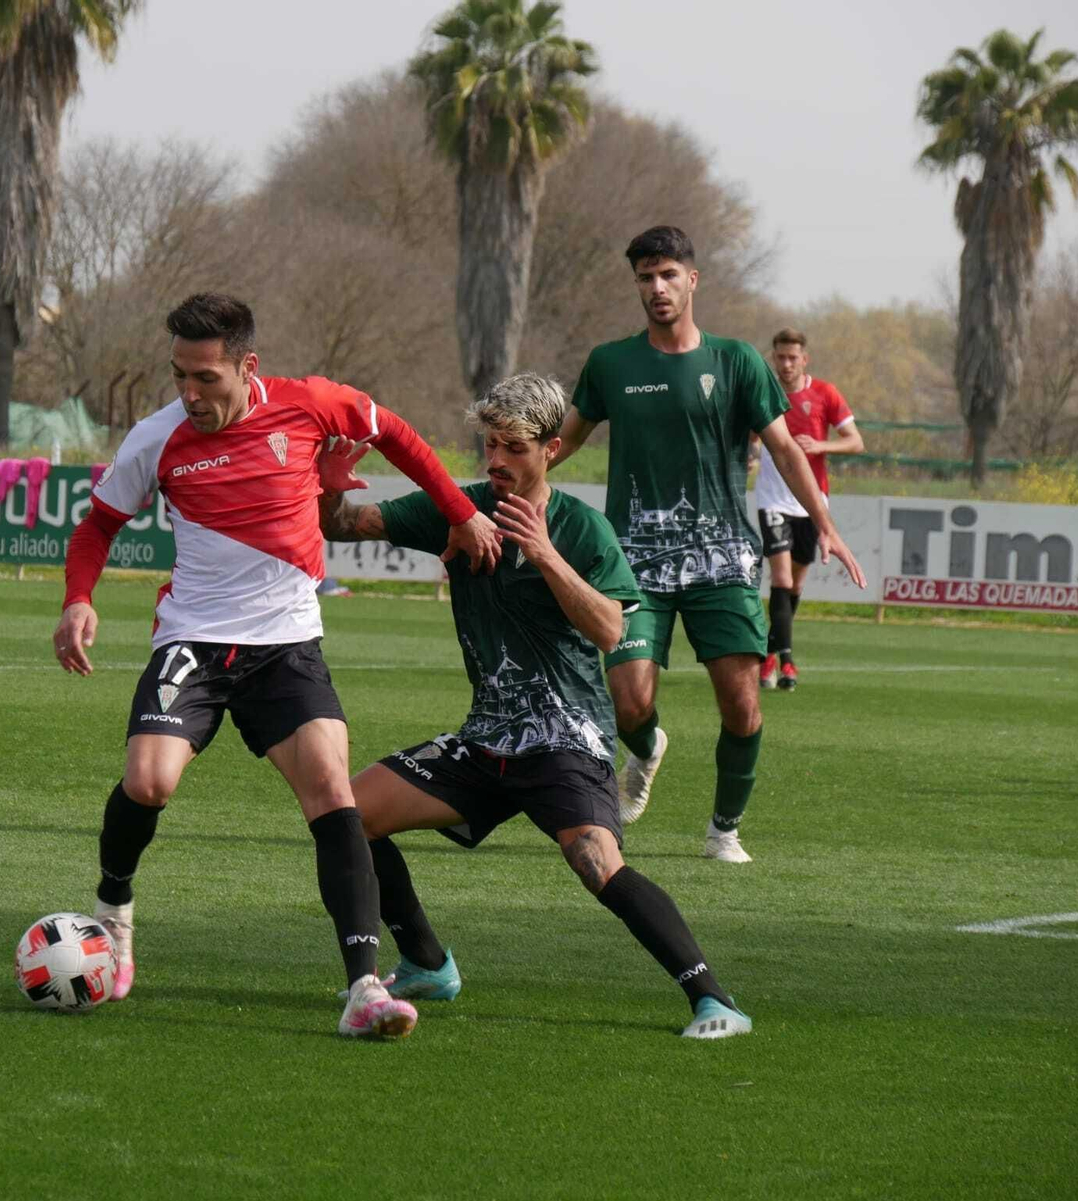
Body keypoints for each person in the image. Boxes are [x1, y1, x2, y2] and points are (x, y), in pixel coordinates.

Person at [53, 292, 501, 1040]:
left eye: (207, 378)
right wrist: (77, 599)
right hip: (194, 641)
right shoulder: (155, 438)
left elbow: (397, 435)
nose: (191, 394)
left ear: (247, 366)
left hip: (286, 644)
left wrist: (460, 510)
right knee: (148, 781)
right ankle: (113, 914)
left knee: (333, 790)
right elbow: (99, 524)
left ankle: (363, 986)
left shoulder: (310, 404)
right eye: (179, 377)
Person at [318, 373, 751, 1039]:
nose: (495, 461)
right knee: (349, 814)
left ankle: (713, 999)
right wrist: (327, 478)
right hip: (485, 740)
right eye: (489, 445)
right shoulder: (454, 508)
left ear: (551, 449)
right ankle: (427, 962)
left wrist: (544, 551)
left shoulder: (582, 528)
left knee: (597, 863)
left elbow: (610, 628)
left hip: (566, 741)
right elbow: (342, 525)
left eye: (513, 447)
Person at [553, 226, 865, 863]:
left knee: (743, 705)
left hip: (721, 559)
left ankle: (724, 829)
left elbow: (782, 446)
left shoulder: (737, 361)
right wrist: (499, 486)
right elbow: (565, 441)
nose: (657, 288)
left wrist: (824, 523)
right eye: (645, 277)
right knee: (630, 700)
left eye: (668, 274)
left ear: (692, 280)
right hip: (633, 561)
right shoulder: (611, 363)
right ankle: (645, 749)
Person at [754, 328, 863, 691]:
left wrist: (818, 445)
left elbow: (856, 442)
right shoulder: (763, 391)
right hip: (772, 499)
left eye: (792, 357)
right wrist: (750, 456)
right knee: (781, 579)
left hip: (812, 502)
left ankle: (769, 653)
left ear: (804, 359)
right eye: (780, 357)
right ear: (774, 358)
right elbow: (751, 439)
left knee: (795, 585)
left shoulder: (824, 394)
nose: (785, 364)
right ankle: (786, 663)